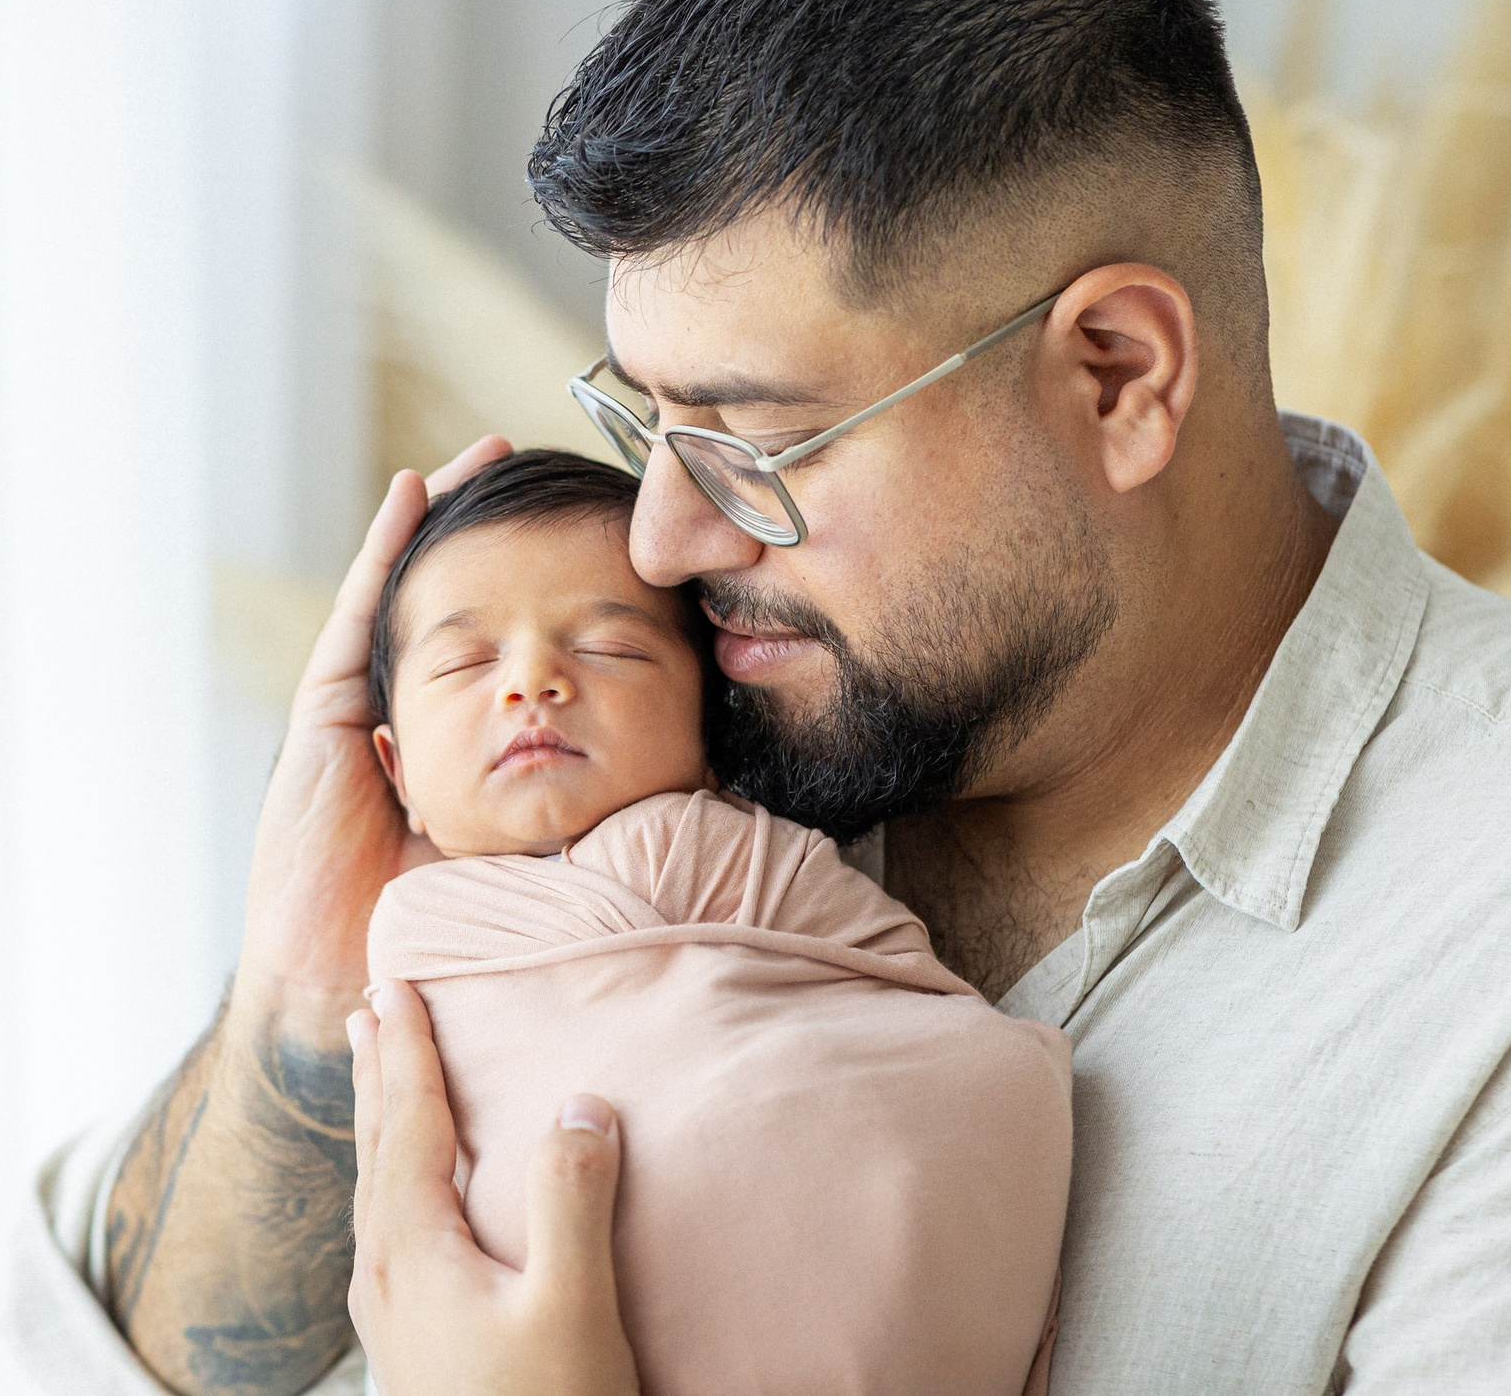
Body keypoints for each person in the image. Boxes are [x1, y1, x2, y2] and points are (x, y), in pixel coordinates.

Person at [12, 0, 1511, 1396]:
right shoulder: (683, 746)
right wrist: (305, 999)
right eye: (642, 423)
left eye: (758, 436)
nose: (659, 535)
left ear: (1121, 372)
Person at [357, 446, 1069, 1396]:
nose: (532, 680)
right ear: (396, 771)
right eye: (465, 660)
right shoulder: (416, 934)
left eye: (607, 646)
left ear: (709, 735)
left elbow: (905, 992)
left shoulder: (737, 848)